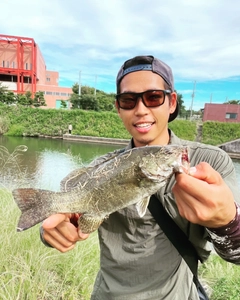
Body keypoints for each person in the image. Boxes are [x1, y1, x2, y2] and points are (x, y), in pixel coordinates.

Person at [40, 55, 240, 300]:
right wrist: (51, 230)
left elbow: (237, 255)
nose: (141, 110)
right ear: (118, 107)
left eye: (153, 97)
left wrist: (228, 221)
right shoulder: (102, 168)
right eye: (128, 100)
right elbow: (67, 214)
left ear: (172, 102)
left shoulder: (212, 162)